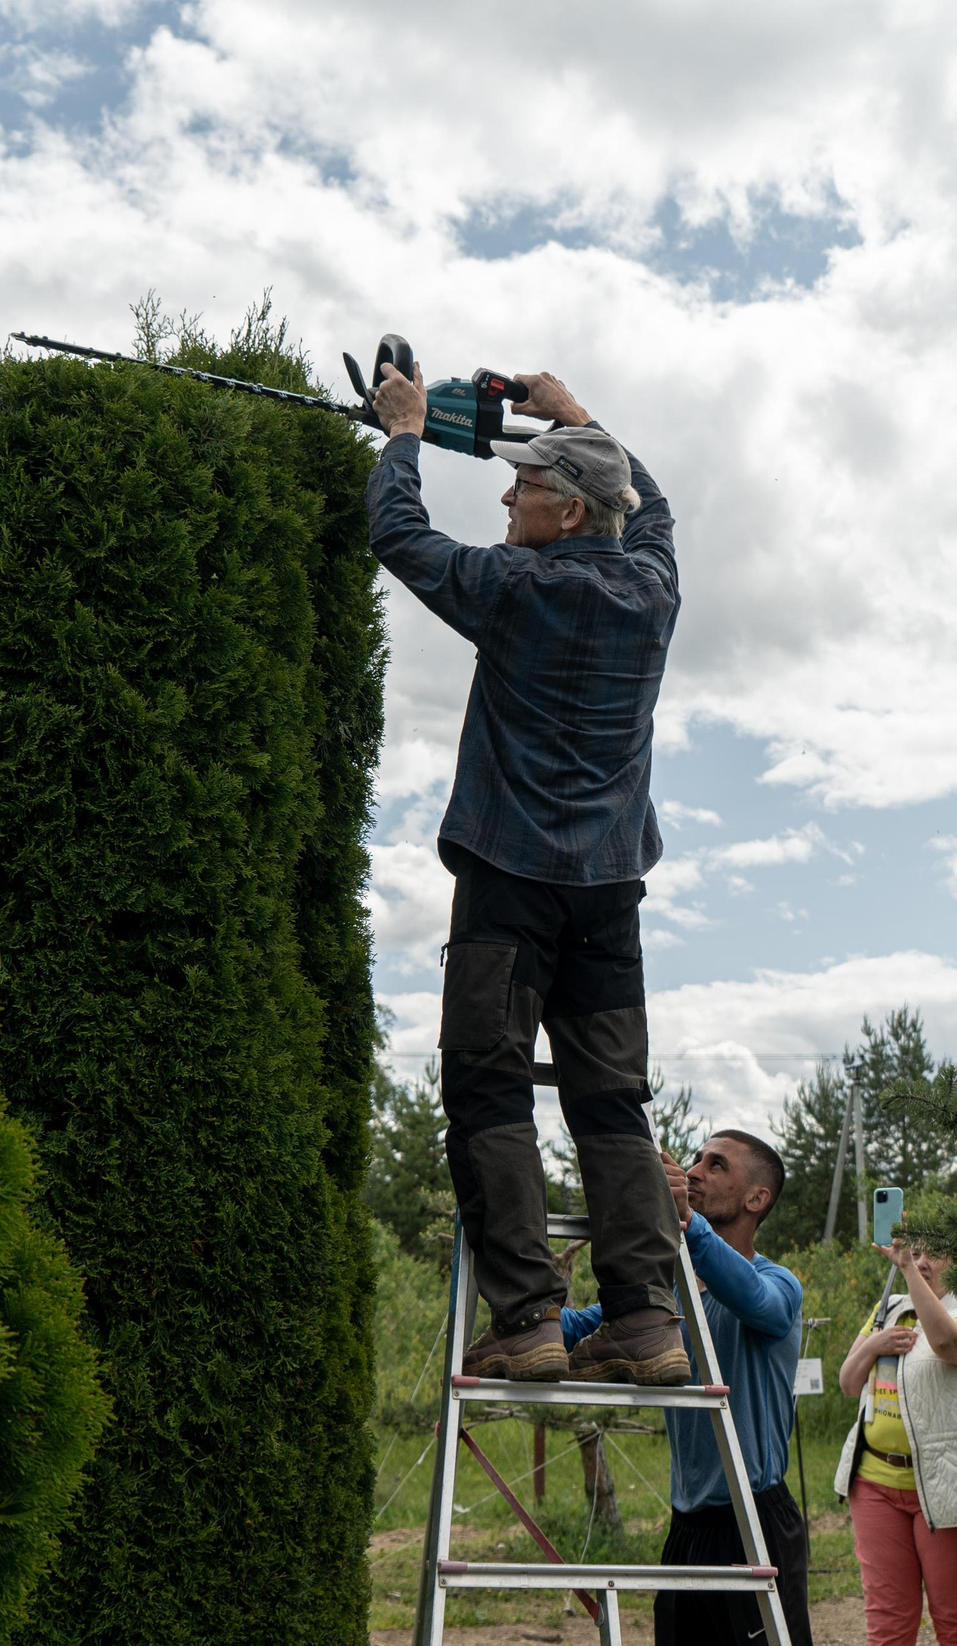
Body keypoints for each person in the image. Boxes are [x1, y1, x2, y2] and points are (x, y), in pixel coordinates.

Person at [365, 361, 686, 1385]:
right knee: (611, 1103)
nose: (506, 498)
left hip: (509, 885)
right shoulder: (652, 591)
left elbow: (399, 536)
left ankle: (529, 1317)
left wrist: (404, 433)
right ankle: (646, 1320)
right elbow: (652, 504)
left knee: (488, 1088)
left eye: (525, 486)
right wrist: (579, 416)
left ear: (570, 511)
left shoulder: (514, 590)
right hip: (610, 896)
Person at [564, 1131, 825, 1646]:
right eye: (696, 1159)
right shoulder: (663, 1297)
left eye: (717, 1164)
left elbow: (756, 1302)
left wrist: (688, 1223)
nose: (697, 1169)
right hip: (687, 1526)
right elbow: (577, 1327)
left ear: (756, 1198)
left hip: (755, 1520)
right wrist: (516, 1300)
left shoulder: (778, 1284)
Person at [833, 1237, 957, 1646]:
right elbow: (848, 1383)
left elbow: (948, 1345)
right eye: (915, 1252)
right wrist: (875, 1343)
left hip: (952, 1493)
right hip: (874, 1484)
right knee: (888, 1624)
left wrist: (909, 1270)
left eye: (933, 1254)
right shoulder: (886, 1311)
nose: (922, 1261)